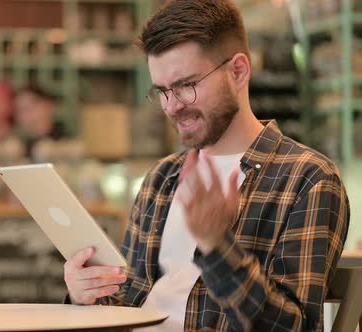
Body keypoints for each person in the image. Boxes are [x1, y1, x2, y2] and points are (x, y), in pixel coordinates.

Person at [63, 1, 350, 331]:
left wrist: (218, 249)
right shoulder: (161, 177)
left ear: (238, 71)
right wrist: (87, 295)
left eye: (187, 85)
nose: (172, 106)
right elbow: (130, 301)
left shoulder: (307, 179)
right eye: (162, 91)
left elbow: (291, 328)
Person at [15, 84, 66, 159]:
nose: (24, 116)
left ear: (47, 105)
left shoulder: (67, 142)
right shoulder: (20, 147)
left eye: (29, 108)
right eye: (20, 111)